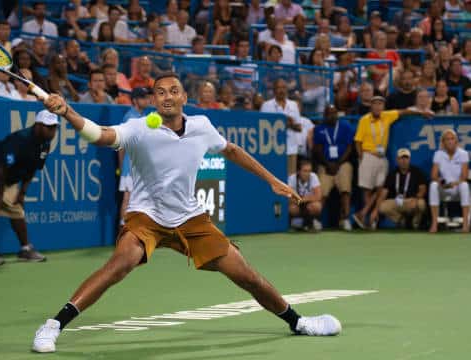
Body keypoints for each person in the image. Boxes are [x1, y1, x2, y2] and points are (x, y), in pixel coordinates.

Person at [31, 73, 341, 353]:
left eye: (173, 91)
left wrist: (272, 179)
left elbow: (231, 150)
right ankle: (53, 325)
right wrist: (68, 112)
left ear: (184, 98)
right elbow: (100, 135)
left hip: (191, 218)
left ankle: (298, 323)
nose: (167, 96)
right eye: (160, 92)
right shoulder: (139, 128)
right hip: (146, 217)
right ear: (154, 100)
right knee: (119, 263)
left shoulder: (202, 127)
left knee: (246, 275)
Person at [0, 110, 58, 264]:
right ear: (38, 125)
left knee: (16, 208)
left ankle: (25, 249)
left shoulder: (45, 144)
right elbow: (1, 167)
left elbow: (33, 168)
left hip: (7, 174)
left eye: (54, 127)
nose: (52, 131)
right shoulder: (20, 140)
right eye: (48, 127)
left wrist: (22, 193)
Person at [353, 96, 432, 230]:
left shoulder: (387, 116)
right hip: (368, 155)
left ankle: (365, 213)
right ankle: (369, 220)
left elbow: (404, 112)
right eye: (375, 104)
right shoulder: (364, 120)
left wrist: (421, 113)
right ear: (371, 106)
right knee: (367, 190)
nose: (378, 107)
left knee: (380, 188)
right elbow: (358, 141)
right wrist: (361, 157)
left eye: (380, 104)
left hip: (382, 157)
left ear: (383, 107)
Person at [313, 105, 354, 231]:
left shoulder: (345, 126)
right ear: (325, 115)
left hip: (342, 163)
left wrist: (338, 163)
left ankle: (346, 219)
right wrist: (327, 164)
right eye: (329, 113)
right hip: (325, 164)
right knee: (322, 191)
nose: (332, 115)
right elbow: (318, 149)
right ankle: (317, 219)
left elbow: (349, 148)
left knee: (345, 188)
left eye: (334, 113)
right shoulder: (319, 129)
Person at [117, 87, 151, 229]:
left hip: (140, 167)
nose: (147, 100)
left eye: (147, 97)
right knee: (128, 198)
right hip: (130, 167)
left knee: (138, 200)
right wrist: (121, 166)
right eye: (143, 97)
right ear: (135, 100)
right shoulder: (130, 117)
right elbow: (121, 144)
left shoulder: (143, 117)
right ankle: (123, 229)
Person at [370, 148, 427, 229]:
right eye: (401, 158)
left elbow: (423, 189)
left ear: (409, 159)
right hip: (397, 201)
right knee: (382, 206)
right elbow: (383, 193)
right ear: (397, 160)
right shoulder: (392, 174)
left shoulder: (416, 172)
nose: (404, 161)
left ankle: (415, 224)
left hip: (411, 200)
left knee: (421, 204)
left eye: (406, 158)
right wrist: (375, 210)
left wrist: (416, 199)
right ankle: (401, 221)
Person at [429, 129, 470, 233]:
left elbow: (464, 176)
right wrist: (442, 183)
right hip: (444, 188)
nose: (450, 141)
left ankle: (466, 225)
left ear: (456, 141)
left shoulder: (463, 154)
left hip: (457, 189)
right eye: (447, 139)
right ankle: (434, 224)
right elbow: (434, 175)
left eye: (452, 139)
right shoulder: (438, 154)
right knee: (433, 185)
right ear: (443, 142)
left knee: (465, 185)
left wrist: (454, 184)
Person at [260, 79, 303, 175]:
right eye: (279, 88)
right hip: (273, 149)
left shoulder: (293, 105)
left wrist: (290, 124)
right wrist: (283, 123)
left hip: (291, 148)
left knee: (290, 178)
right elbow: (262, 129)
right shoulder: (266, 106)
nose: (281, 90)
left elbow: (299, 128)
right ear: (274, 90)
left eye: (283, 87)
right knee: (274, 177)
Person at [288, 160, 323, 231]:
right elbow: (289, 197)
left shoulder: (313, 176)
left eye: (309, 171)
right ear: (299, 171)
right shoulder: (292, 178)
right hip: (297, 204)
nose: (307, 173)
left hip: (308, 204)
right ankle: (299, 223)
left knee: (317, 206)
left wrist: (303, 200)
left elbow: (318, 196)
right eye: (305, 171)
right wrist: (299, 200)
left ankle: (306, 223)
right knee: (291, 209)